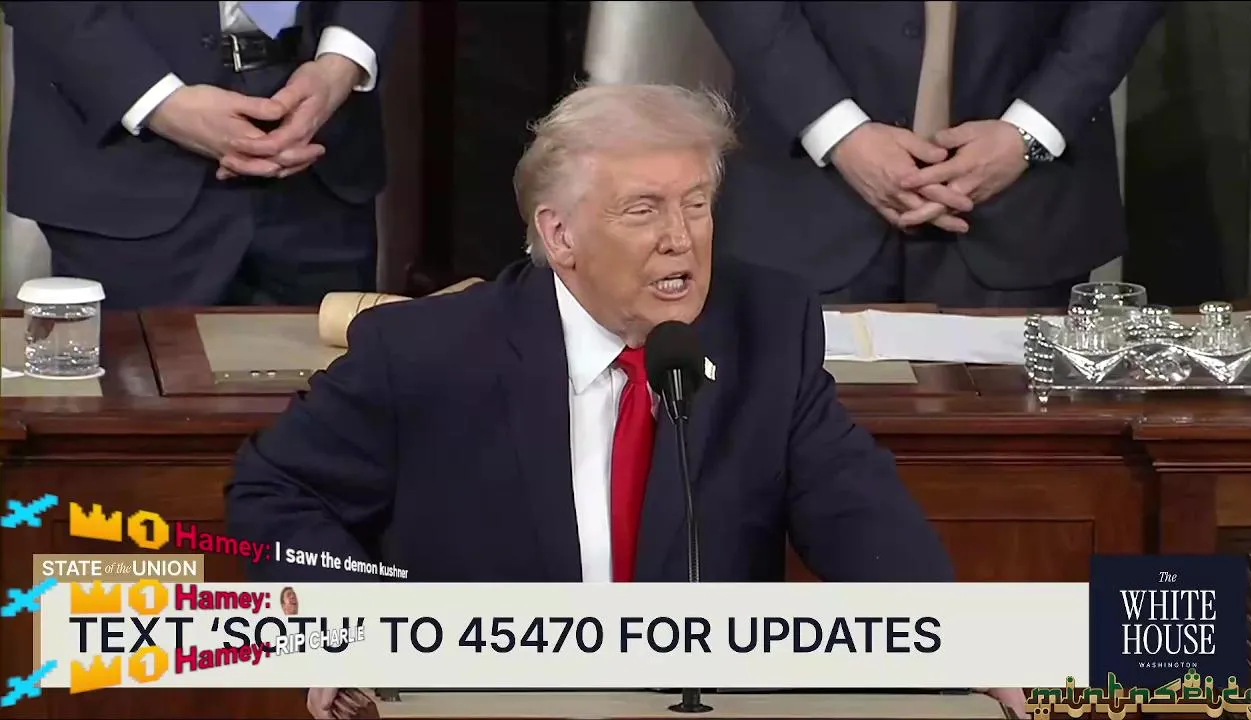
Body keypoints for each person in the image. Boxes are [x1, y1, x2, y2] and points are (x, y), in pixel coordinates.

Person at [225, 83, 1021, 718]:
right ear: (560, 236)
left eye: (696, 204)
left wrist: (955, 640)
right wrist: (347, 627)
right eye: (644, 209)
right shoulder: (430, 352)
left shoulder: (765, 328)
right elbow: (277, 491)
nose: (681, 237)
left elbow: (855, 509)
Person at [692, 1, 1166, 307]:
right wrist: (839, 132)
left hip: (1025, 208)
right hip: (805, 202)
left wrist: (1029, 131)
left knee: (1016, 439)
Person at [1, 1, 401, 309]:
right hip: (127, 171)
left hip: (319, 165)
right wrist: (159, 102)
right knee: (135, 391)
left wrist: (342, 64)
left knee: (335, 387)